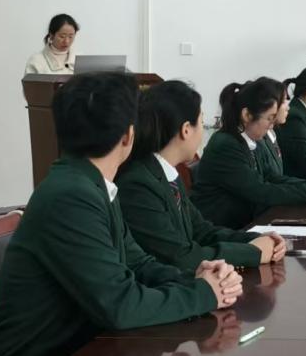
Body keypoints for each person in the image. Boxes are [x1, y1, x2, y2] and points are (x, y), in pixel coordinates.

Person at [0, 72, 243, 356]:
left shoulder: (92, 185)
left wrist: (197, 276)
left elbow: (138, 263)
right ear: (128, 136)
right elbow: (120, 306)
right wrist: (203, 294)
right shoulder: (72, 196)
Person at [116, 80, 287, 273]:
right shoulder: (138, 183)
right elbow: (179, 257)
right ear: (186, 129)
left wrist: (256, 238)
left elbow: (202, 231)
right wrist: (252, 252)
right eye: (201, 121)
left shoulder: (166, 173)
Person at [191, 78, 306, 230]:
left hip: (246, 222)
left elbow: (272, 177)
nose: (272, 125)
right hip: (225, 230)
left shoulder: (249, 139)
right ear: (247, 115)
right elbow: (261, 191)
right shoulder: (226, 145)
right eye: (270, 118)